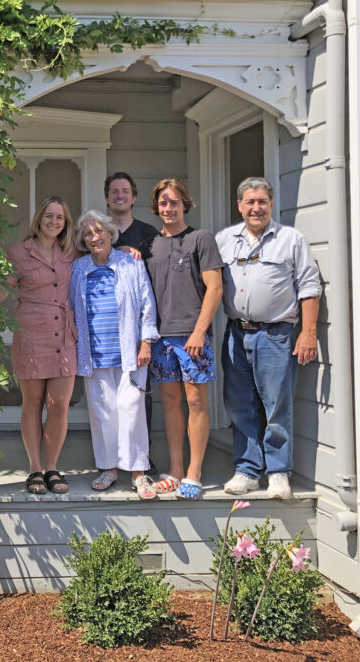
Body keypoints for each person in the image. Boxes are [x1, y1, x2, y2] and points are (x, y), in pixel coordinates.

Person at [216, 177, 321, 500]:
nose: (256, 208)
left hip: (277, 335)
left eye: (262, 201)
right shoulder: (225, 240)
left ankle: (277, 472)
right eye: (249, 202)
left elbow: (309, 286)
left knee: (277, 406)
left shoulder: (291, 239)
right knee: (239, 404)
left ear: (271, 204)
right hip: (236, 332)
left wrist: (308, 332)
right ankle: (247, 470)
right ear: (239, 205)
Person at [142, 178, 224, 500]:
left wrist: (199, 332)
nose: (168, 208)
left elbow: (214, 288)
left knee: (195, 401)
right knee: (171, 403)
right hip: (161, 337)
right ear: (156, 206)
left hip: (192, 336)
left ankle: (194, 473)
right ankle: (175, 470)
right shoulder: (152, 245)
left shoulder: (201, 239)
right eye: (163, 202)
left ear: (185, 204)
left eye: (174, 202)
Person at [70, 210, 160, 499]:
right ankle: (108, 468)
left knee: (132, 410)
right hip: (94, 353)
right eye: (88, 233)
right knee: (102, 412)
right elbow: (72, 308)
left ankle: (137, 472)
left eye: (99, 231)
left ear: (111, 234)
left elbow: (147, 301)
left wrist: (146, 341)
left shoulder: (130, 263)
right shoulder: (79, 267)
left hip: (129, 352)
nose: (94, 237)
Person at [4, 196, 79, 495]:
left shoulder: (72, 253)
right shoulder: (19, 253)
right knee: (33, 404)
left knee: (59, 405)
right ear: (39, 218)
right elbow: (0, 290)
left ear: (65, 223)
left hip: (64, 335)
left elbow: (103, 253)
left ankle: (52, 468)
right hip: (32, 335)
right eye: (49, 216)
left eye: (60, 218)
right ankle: (35, 468)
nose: (54, 222)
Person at [106, 171, 161, 473]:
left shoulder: (147, 232)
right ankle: (113, 456)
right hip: (105, 325)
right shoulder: (99, 231)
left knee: (140, 394)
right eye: (114, 191)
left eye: (125, 191)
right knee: (109, 397)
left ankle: (143, 455)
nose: (120, 196)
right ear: (107, 197)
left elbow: (150, 281)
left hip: (138, 324)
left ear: (134, 197)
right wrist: (117, 251)